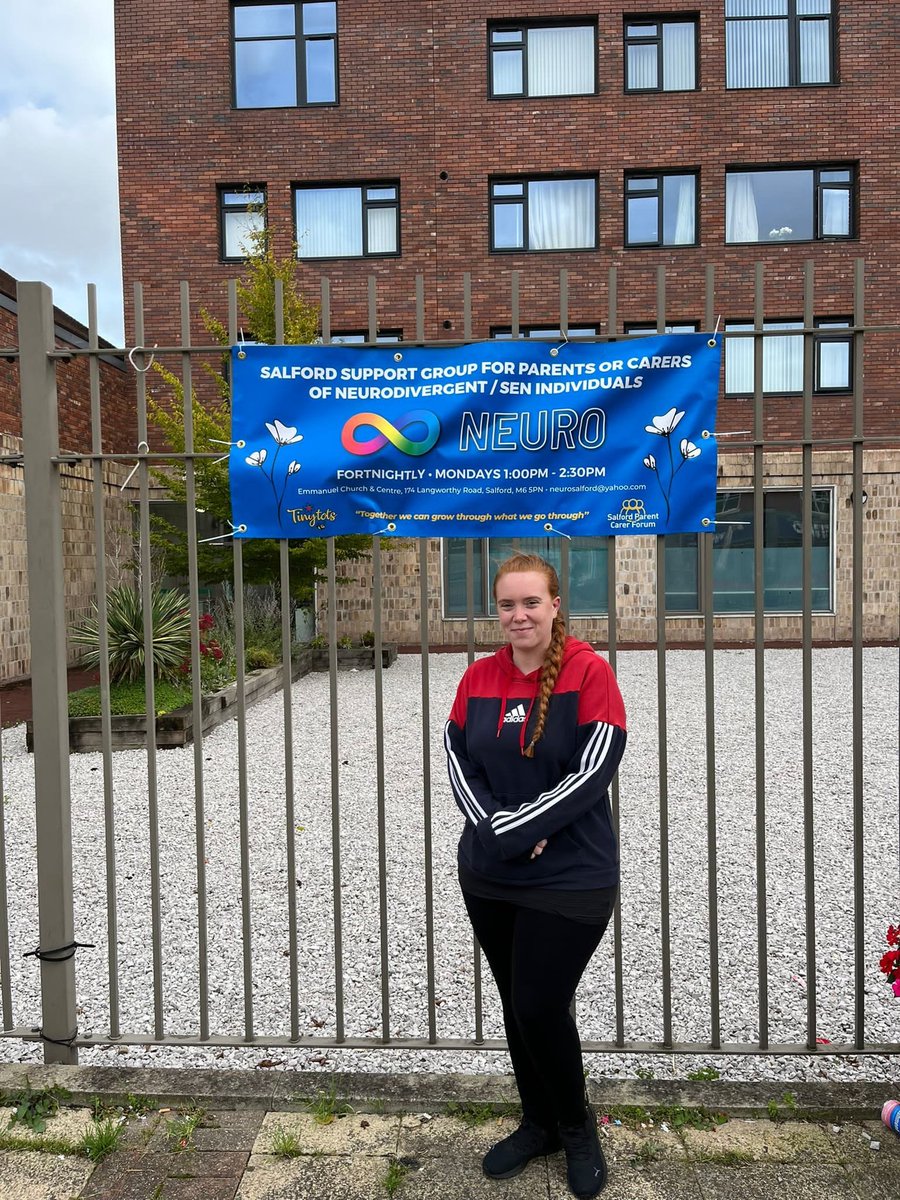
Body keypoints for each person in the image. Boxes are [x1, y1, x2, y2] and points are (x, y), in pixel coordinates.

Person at [444, 552, 626, 1199]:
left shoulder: (589, 673)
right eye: (507, 605)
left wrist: (519, 831)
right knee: (520, 1008)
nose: (518, 615)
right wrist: (503, 834)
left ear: (554, 606)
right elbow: (458, 760)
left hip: (573, 876)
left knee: (538, 1003)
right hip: (491, 875)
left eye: (530, 603)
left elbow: (594, 770)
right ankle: (538, 1123)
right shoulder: (478, 678)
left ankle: (577, 1129)